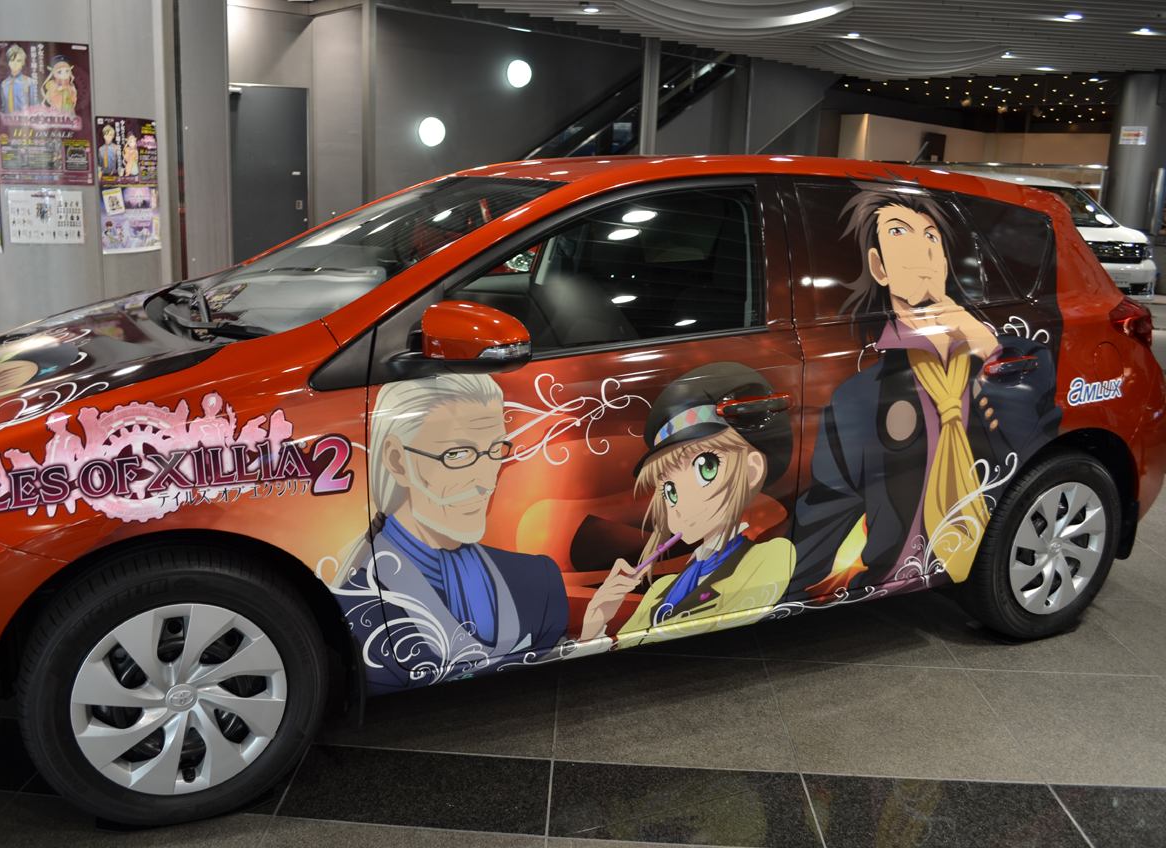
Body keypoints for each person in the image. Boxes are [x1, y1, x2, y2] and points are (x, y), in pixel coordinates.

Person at [791, 184, 1060, 599]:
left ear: (946, 262)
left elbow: (1032, 440)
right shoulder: (856, 395)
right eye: (899, 232)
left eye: (931, 236)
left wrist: (980, 340)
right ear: (878, 267)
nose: (922, 248)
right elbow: (826, 514)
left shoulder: (1012, 357)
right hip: (893, 566)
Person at [335, 373, 569, 692]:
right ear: (397, 461)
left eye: (496, 450)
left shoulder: (539, 579)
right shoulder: (354, 599)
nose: (487, 481)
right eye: (457, 454)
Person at [581, 363, 795, 647]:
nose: (680, 504)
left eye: (706, 469)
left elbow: (724, 628)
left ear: (751, 471)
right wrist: (596, 623)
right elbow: (626, 646)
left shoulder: (769, 556)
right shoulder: (660, 589)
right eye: (669, 491)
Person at [0, 44, 37, 114]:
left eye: (18, 60)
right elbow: (3, 108)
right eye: (12, 60)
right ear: (8, 62)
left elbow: (35, 106)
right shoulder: (4, 84)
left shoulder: (29, 82)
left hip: (25, 119)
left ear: (22, 63)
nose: (15, 63)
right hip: (8, 120)